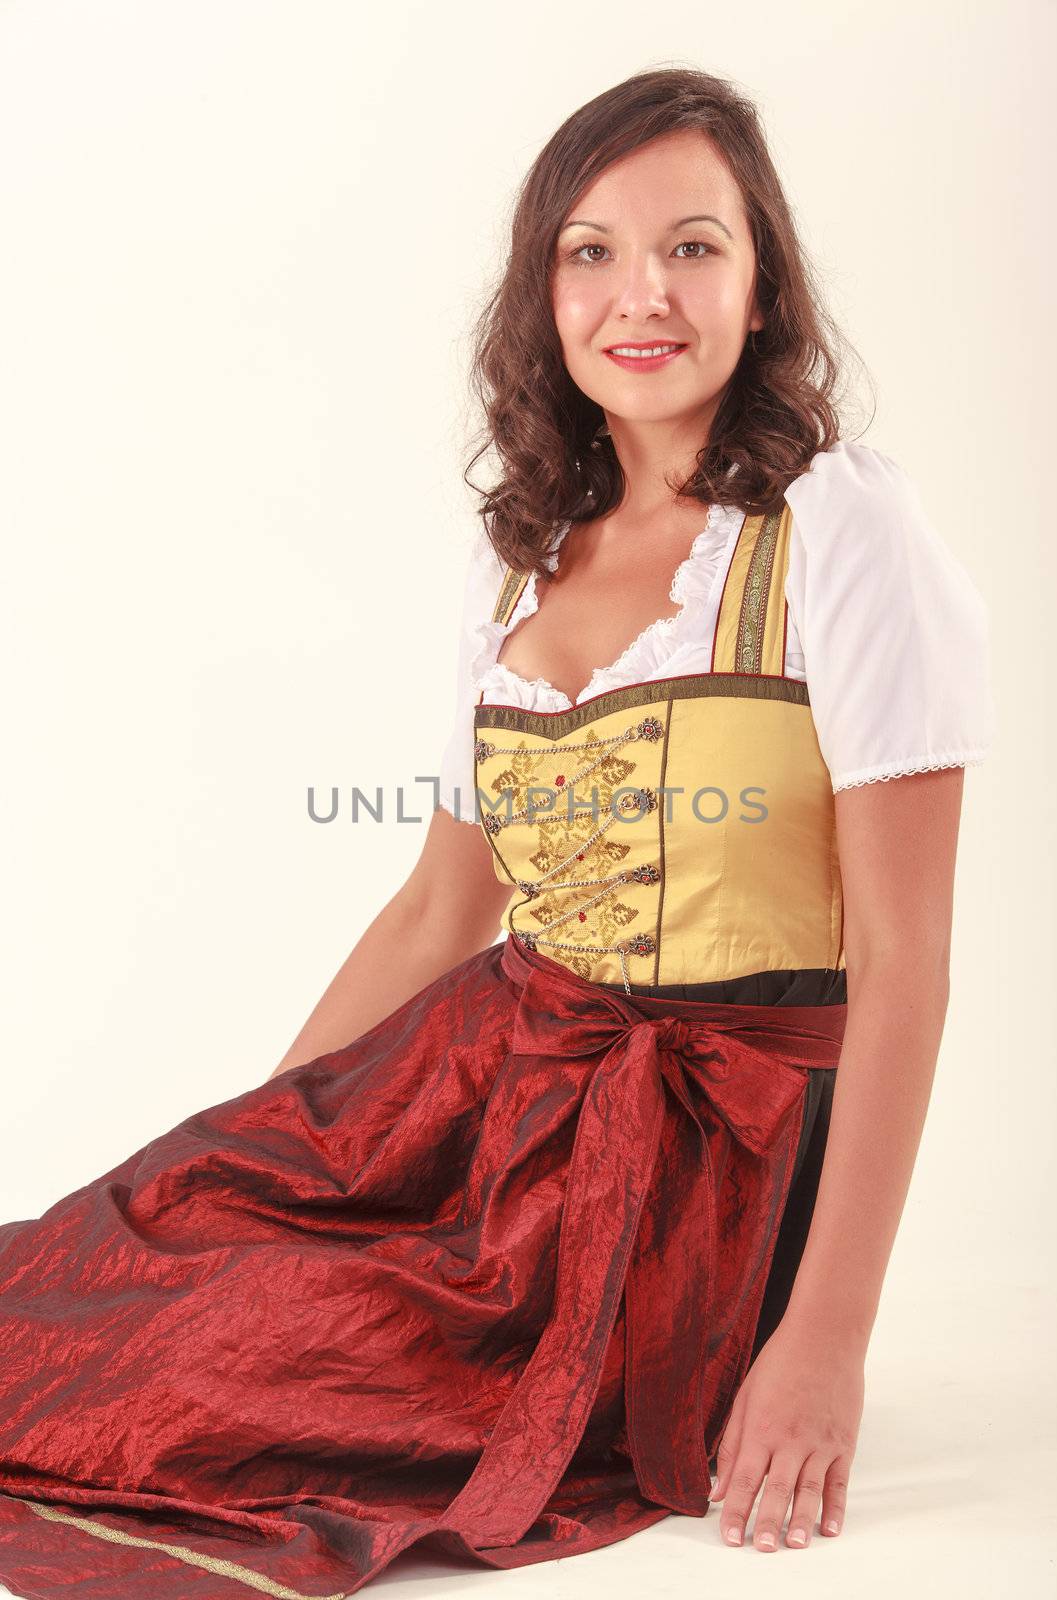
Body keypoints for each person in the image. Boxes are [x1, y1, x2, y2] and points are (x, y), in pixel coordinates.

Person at [0, 66, 994, 1598]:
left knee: (242, 1396)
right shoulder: (519, 551)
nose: (639, 293)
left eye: (693, 245)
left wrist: (826, 1345)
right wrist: (236, 1179)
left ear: (762, 277)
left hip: (690, 1171)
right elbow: (433, 914)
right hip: (477, 1087)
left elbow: (908, 965)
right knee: (110, 1286)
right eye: (588, 250)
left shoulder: (843, 529)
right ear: (542, 290)